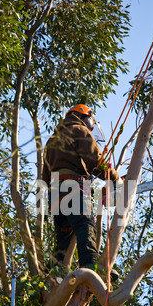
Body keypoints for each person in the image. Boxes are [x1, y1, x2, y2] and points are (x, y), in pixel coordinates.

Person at [42, 104, 121, 271]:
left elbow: (45, 176)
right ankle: (90, 266)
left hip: (56, 193)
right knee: (85, 225)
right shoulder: (80, 130)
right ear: (85, 116)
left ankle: (52, 273)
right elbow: (96, 162)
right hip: (75, 186)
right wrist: (115, 178)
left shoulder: (52, 140)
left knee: (63, 238)